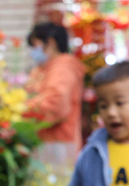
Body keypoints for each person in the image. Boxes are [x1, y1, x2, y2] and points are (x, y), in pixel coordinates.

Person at [24, 22, 85, 166]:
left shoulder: (62, 67)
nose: (33, 51)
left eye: (35, 45)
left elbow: (56, 105)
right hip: (47, 142)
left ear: (50, 43)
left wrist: (19, 108)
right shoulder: (45, 68)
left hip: (58, 144)